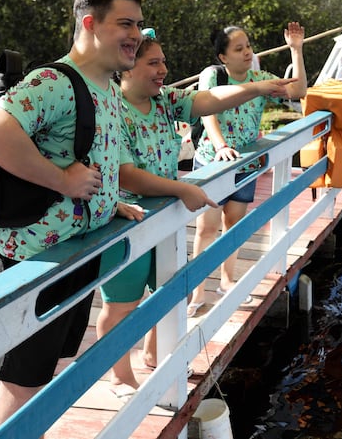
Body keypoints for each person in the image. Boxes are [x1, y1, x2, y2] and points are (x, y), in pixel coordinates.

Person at [0, 0, 147, 438]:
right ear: (90, 23)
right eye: (125, 24)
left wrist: (109, 204)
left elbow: (92, 154)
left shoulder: (106, 85)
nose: (136, 35)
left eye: (139, 25)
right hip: (34, 260)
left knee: (42, 378)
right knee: (19, 386)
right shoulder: (53, 80)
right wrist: (62, 180)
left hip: (73, 253)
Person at [96, 29, 296, 397]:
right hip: (123, 225)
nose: (163, 70)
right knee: (121, 305)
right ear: (126, 66)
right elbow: (125, 173)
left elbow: (208, 100)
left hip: (165, 222)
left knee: (167, 292)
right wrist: (181, 188)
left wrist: (256, 88)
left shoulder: (165, 101)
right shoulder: (110, 110)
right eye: (153, 62)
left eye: (164, 62)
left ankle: (155, 355)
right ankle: (120, 376)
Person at [187, 22, 308, 317]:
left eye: (248, 47)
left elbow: (299, 89)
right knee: (206, 228)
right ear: (223, 56)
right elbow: (208, 114)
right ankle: (197, 292)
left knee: (234, 226)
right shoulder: (212, 76)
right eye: (238, 49)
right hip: (212, 163)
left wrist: (296, 50)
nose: (246, 53)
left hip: (245, 165)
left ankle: (227, 282)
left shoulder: (260, 79)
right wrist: (220, 146)